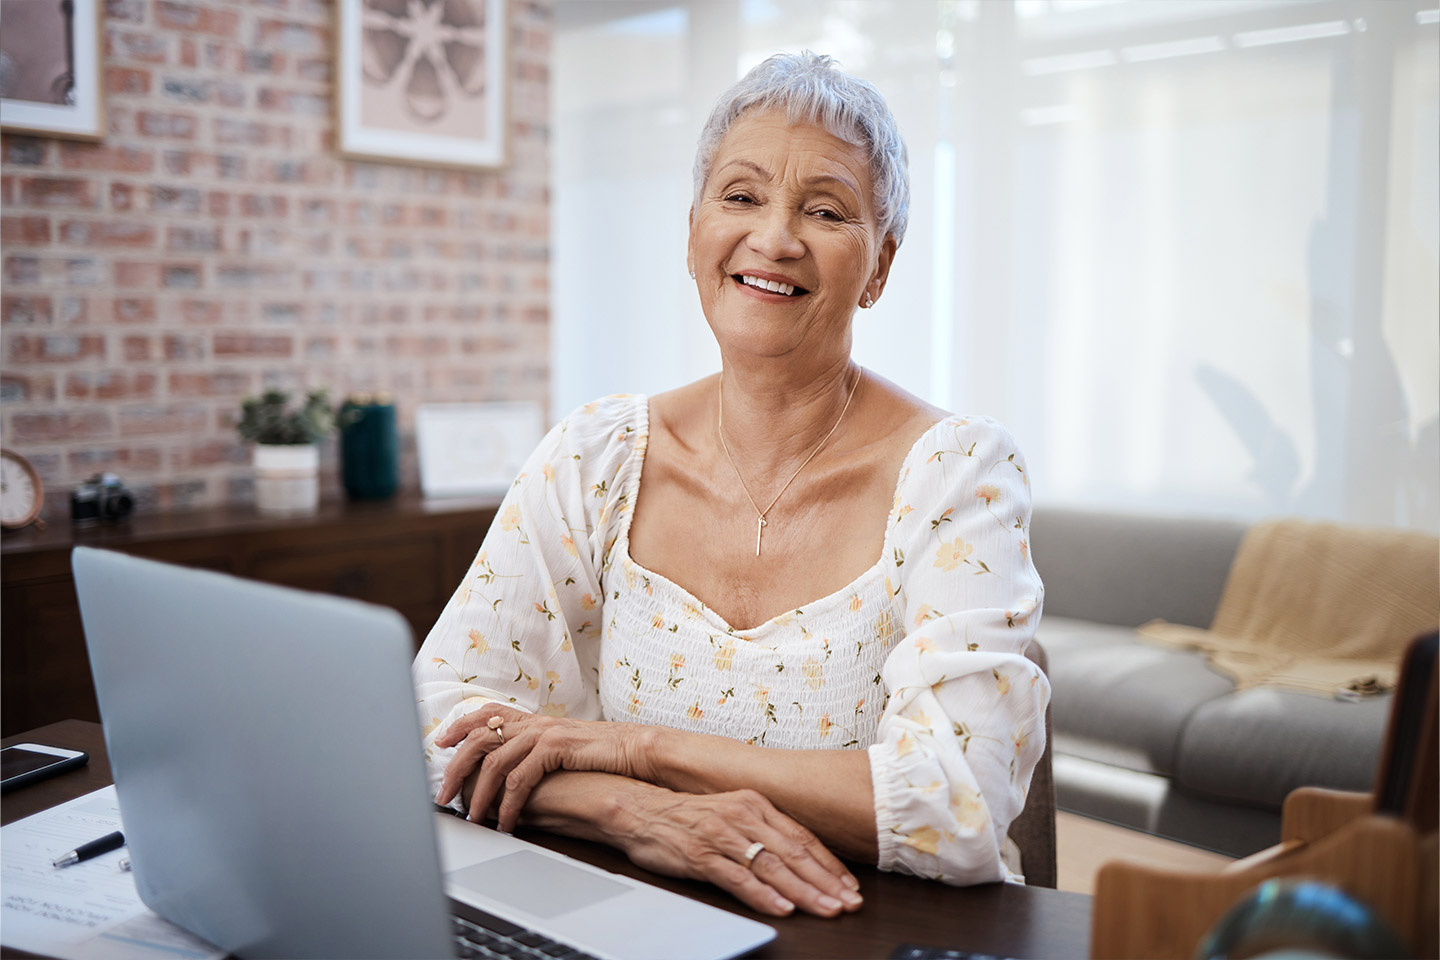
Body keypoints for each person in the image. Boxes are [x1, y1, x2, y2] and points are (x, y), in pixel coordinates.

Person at [413, 51, 1047, 920]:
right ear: (693, 232)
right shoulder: (597, 457)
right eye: (741, 196)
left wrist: (636, 751)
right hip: (639, 918)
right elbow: (430, 724)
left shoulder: (956, 472)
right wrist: (633, 812)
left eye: (825, 210)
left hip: (873, 930)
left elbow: (958, 804)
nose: (776, 237)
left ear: (881, 266)